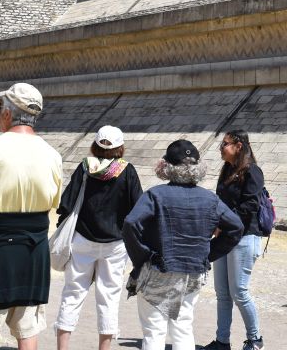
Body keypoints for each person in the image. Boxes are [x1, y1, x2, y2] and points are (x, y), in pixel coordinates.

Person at [0, 82, 64, 350]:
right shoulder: (53, 155)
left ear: (7, 114)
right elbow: (52, 203)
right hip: (32, 248)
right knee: (27, 323)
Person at [122, 139, 243, 350]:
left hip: (158, 268)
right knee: (183, 327)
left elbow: (131, 223)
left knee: (154, 330)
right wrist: (208, 253)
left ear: (166, 166)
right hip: (193, 271)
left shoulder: (156, 195)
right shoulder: (210, 199)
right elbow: (236, 227)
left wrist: (142, 256)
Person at [54, 126, 143, 350]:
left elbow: (66, 204)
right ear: (120, 147)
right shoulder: (127, 171)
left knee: (72, 294)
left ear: (96, 144)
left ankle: (62, 347)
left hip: (82, 240)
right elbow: (138, 208)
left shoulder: (85, 168)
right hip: (115, 244)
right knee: (109, 298)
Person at [202, 130, 266, 350]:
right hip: (224, 239)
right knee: (222, 293)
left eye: (225, 143)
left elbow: (250, 206)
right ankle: (222, 341)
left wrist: (224, 223)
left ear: (239, 146)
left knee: (239, 291)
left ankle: (255, 340)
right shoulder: (227, 170)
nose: (221, 147)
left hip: (245, 237)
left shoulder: (252, 171)